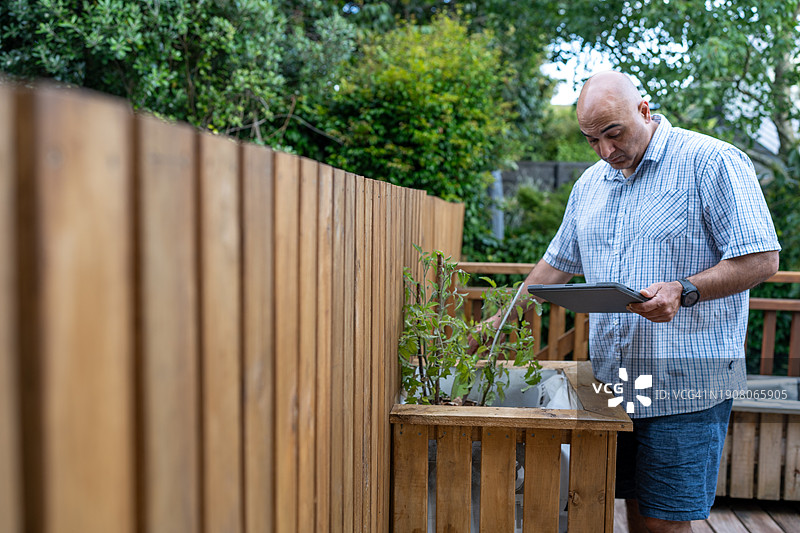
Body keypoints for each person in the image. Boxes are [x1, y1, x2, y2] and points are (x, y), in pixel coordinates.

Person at [485, 71, 780, 533]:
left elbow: (763, 258)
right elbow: (555, 264)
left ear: (644, 110)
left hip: (688, 380)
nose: (605, 151)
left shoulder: (712, 162)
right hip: (613, 383)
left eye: (613, 133)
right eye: (591, 140)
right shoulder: (589, 185)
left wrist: (684, 289)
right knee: (631, 509)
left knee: (666, 520)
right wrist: (501, 320)